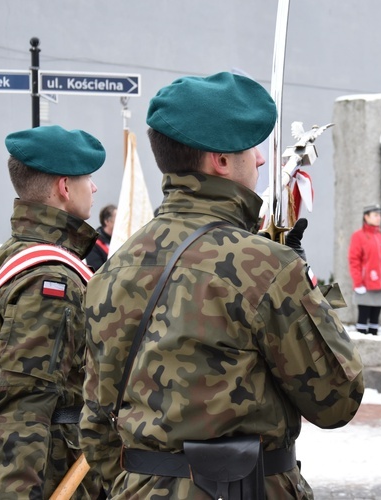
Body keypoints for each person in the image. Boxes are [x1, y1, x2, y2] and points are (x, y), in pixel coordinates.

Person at [79, 72, 365, 499]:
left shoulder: (112, 268)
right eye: (251, 148)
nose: (262, 160)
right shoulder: (266, 267)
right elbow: (337, 399)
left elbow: (98, 430)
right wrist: (301, 290)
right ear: (221, 161)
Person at [0, 125, 106, 499]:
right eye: (87, 178)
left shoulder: (11, 255)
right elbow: (23, 408)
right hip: (52, 475)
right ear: (65, 187)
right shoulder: (50, 281)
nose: (93, 188)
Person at [349, 204, 381, 334]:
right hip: (365, 284)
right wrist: (357, 282)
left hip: (380, 284)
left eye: (379, 215)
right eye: (375, 215)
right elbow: (354, 260)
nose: (378, 218)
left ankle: (374, 339)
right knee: (363, 319)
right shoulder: (358, 236)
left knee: (375, 320)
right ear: (366, 217)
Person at [85, 203, 116, 271]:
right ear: (107, 221)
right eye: (117, 219)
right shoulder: (94, 244)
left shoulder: (120, 241)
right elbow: (96, 271)